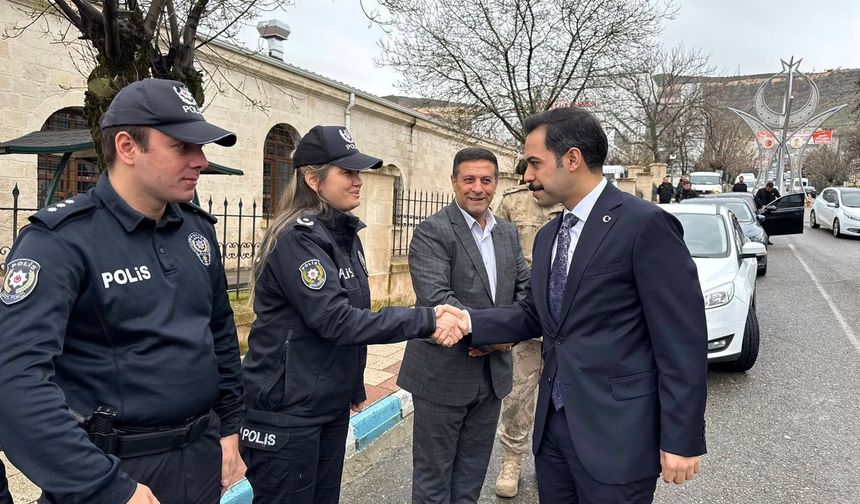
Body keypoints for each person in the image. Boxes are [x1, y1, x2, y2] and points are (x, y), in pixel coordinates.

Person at [441, 107, 708, 503]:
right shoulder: (551, 234)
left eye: (534, 163)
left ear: (572, 159)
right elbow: (537, 313)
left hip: (617, 436)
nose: (527, 176)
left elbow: (681, 340)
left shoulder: (644, 225)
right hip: (554, 431)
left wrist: (682, 437)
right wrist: (469, 322)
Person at [0, 78, 247, 504]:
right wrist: (105, 486)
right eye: (182, 147)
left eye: (201, 148)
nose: (201, 161)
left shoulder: (196, 231)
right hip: (117, 469)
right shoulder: (61, 241)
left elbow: (219, 333)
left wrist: (229, 427)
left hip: (201, 455)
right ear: (127, 147)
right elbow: (15, 382)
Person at [239, 125, 462, 504]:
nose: (359, 181)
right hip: (287, 412)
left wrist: (351, 384)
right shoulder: (297, 237)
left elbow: (355, 316)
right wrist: (426, 319)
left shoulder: (344, 236)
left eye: (359, 172)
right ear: (313, 178)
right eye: (348, 172)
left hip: (326, 405)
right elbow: (337, 320)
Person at [397, 147, 529, 504]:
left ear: (497, 183)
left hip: (491, 377)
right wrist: (495, 333)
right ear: (454, 182)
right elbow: (438, 299)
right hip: (442, 376)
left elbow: (525, 292)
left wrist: (502, 340)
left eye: (486, 180)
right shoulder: (432, 232)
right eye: (468, 179)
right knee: (433, 480)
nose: (477, 188)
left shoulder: (506, 233)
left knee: (471, 477)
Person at [492, 184, 561, 498]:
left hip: (567, 322)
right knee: (518, 394)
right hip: (527, 317)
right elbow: (497, 259)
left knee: (565, 396)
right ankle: (512, 459)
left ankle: (555, 460)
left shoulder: (577, 202)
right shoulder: (513, 202)